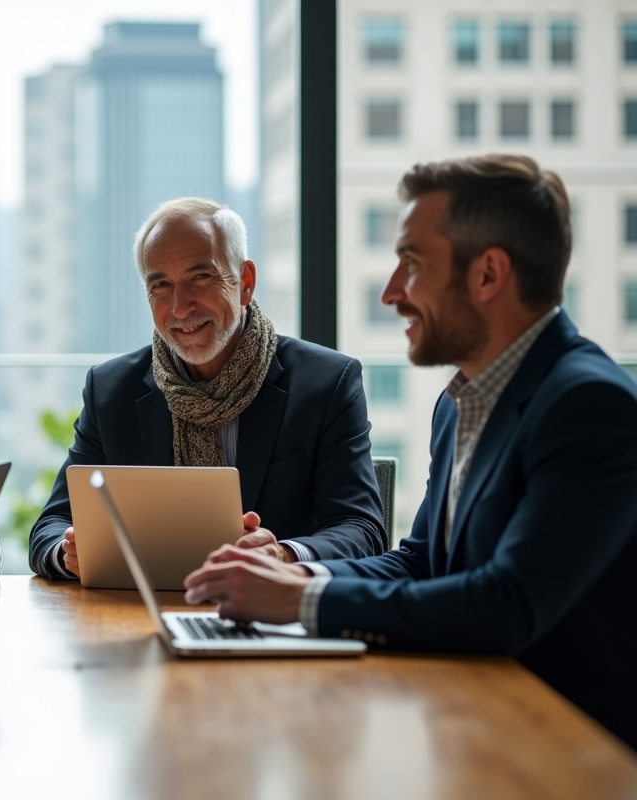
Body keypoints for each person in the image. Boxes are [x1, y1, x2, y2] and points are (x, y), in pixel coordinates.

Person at [183, 155, 637, 750]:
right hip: (468, 717)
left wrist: (300, 598)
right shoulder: (461, 401)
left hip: (566, 744)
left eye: (412, 264)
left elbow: (505, 604)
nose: (392, 292)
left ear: (488, 274)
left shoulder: (589, 404)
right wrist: (293, 570)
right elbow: (422, 560)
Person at [29, 198, 389, 580]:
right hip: (138, 616)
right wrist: (67, 552)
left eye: (200, 277)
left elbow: (362, 529)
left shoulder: (326, 383)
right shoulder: (110, 390)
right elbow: (52, 525)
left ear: (245, 282)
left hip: (273, 614)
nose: (181, 307)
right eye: (161, 285)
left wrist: (284, 555)